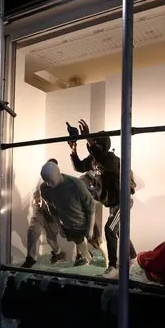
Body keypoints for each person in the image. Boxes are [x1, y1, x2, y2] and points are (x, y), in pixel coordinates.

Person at [68, 119, 137, 278]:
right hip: (112, 202)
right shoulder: (93, 160)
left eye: (96, 144)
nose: (93, 147)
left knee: (110, 229)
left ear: (102, 146)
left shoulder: (112, 159)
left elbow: (103, 160)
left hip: (122, 202)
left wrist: (89, 139)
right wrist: (73, 151)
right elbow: (79, 167)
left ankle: (113, 266)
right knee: (119, 231)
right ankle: (133, 258)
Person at [39, 160, 95, 267]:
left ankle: (108, 263)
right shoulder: (45, 189)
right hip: (69, 222)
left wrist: (91, 227)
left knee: (97, 242)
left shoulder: (76, 184)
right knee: (78, 240)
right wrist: (59, 226)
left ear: (58, 174)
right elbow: (52, 209)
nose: (48, 184)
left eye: (51, 180)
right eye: (46, 181)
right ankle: (87, 257)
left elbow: (90, 205)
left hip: (84, 218)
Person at [21, 158, 65, 268]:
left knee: (51, 239)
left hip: (52, 214)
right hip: (40, 211)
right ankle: (31, 258)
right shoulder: (41, 179)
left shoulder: (61, 181)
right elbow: (36, 192)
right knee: (32, 231)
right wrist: (36, 200)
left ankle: (58, 253)